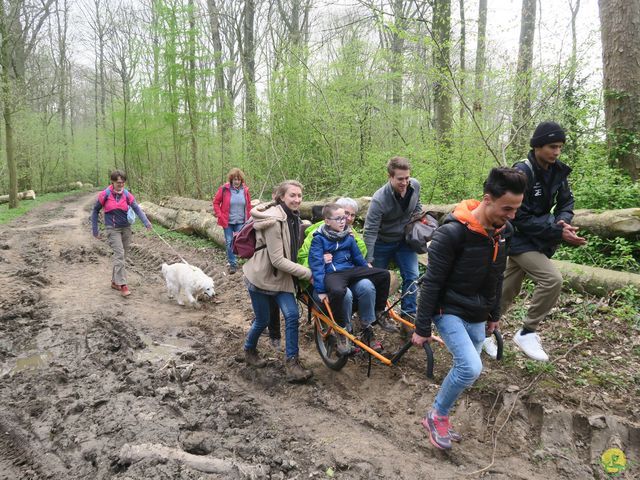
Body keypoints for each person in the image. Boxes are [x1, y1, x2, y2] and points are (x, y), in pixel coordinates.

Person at [411, 167, 527, 450]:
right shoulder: (451, 234)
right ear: (487, 199)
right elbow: (432, 282)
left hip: (477, 310)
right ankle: (436, 415)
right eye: (507, 208)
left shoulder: (504, 231)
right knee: (470, 367)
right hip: (447, 308)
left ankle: (440, 415)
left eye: (516, 209)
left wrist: (494, 314)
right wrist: (422, 327)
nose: (512, 215)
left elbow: (497, 275)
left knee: (469, 370)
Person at [483, 122, 587, 362]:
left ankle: (482, 331)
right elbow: (517, 216)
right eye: (552, 146)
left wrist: (562, 222)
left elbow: (566, 203)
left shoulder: (558, 171)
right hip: (519, 239)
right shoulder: (523, 172)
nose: (557, 152)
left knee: (506, 290)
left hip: (540, 238)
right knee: (552, 280)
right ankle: (527, 332)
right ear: (537, 145)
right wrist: (556, 231)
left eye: (560, 147)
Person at [242, 180, 313, 383]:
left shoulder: (293, 217)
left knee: (291, 316)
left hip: (281, 277)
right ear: (281, 197)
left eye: (299, 196)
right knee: (262, 320)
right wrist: (307, 273)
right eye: (292, 195)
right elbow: (277, 260)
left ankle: (292, 364)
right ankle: (249, 350)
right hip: (261, 277)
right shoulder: (273, 221)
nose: (297, 199)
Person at [308, 203, 391, 355]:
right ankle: (341, 329)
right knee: (339, 292)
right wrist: (320, 289)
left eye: (344, 218)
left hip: (351, 271)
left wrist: (367, 268)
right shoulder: (319, 239)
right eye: (338, 218)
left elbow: (358, 257)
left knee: (384, 275)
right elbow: (316, 265)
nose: (342, 221)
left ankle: (379, 313)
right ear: (327, 221)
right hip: (333, 275)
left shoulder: (348, 236)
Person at [364, 156, 422, 329]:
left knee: (412, 276)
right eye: (400, 179)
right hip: (383, 241)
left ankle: (408, 317)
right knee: (377, 280)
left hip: (405, 241)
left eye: (407, 178)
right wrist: (368, 258)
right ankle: (377, 313)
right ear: (390, 177)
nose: (404, 182)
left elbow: (417, 205)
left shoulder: (415, 185)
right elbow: (370, 229)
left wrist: (419, 222)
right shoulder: (379, 199)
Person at [91, 170, 152, 297]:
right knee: (119, 255)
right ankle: (123, 285)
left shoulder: (127, 195)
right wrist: (95, 229)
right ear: (112, 181)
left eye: (123, 182)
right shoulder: (105, 195)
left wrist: (146, 222)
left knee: (122, 257)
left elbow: (136, 208)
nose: (121, 185)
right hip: (112, 229)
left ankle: (114, 282)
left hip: (126, 228)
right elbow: (95, 211)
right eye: (118, 182)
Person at [213, 168, 252, 274]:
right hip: (227, 222)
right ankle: (233, 264)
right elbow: (216, 202)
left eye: (239, 179)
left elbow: (248, 205)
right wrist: (220, 215)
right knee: (230, 242)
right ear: (231, 179)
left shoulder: (245, 190)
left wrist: (249, 218)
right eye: (235, 179)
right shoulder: (225, 189)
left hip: (241, 221)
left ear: (241, 180)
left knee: (240, 241)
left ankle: (244, 261)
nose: (237, 181)